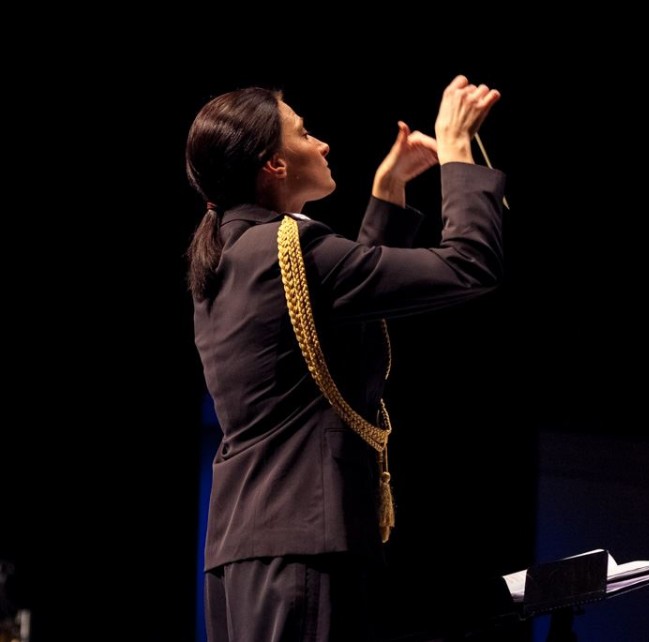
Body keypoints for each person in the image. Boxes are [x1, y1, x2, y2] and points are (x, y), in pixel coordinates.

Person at [186, 75, 504, 642]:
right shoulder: (289, 249)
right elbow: (467, 265)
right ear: (274, 164)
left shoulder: (231, 252)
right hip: (302, 545)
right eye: (304, 133)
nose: (323, 143)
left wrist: (388, 191)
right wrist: (458, 151)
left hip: (247, 550)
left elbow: (344, 316)